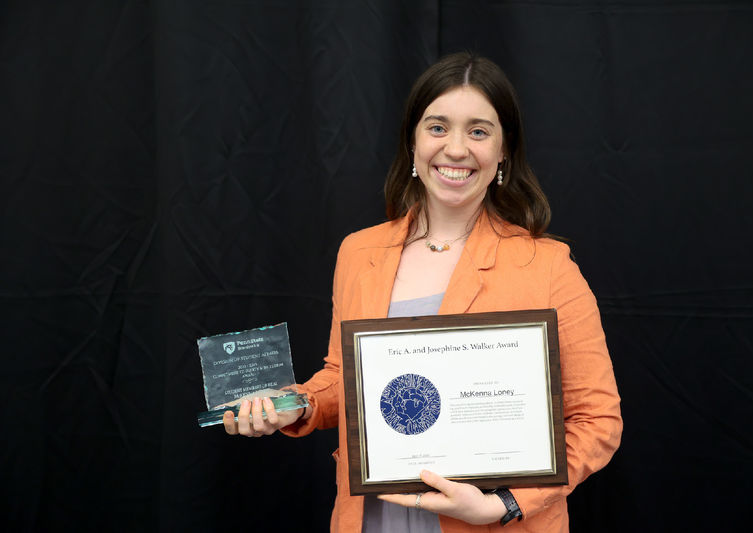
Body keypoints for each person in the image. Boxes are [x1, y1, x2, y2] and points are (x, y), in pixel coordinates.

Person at [223, 52, 622, 532]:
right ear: (412, 142)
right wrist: (290, 404)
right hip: (374, 520)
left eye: (478, 131)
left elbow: (597, 420)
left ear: (503, 151)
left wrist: (504, 504)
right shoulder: (359, 252)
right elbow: (343, 379)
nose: (455, 148)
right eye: (437, 127)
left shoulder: (547, 265)